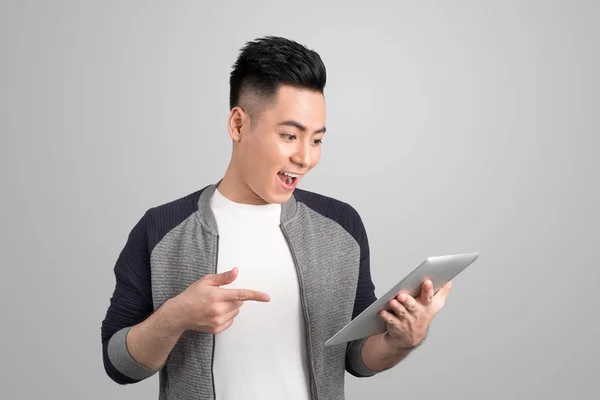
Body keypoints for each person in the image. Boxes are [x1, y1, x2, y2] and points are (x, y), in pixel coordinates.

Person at [100, 35, 452, 400]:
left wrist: (404, 339)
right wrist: (174, 318)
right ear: (238, 125)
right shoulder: (161, 229)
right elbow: (119, 366)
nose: (306, 158)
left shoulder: (341, 226)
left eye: (316, 140)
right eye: (289, 135)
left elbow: (357, 356)